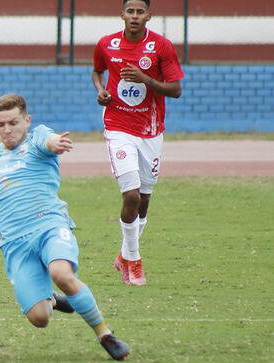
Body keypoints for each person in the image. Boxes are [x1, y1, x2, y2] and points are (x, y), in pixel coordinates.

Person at [0, 94, 130, 361]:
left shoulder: (37, 139)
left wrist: (56, 143)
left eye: (13, 122)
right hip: (15, 244)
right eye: (1, 124)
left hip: (49, 226)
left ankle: (105, 335)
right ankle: (51, 300)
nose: (7, 129)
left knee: (61, 273)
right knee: (40, 318)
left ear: (27, 121)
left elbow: (49, 140)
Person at [91, 0, 184, 286]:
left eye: (139, 12)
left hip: (151, 131)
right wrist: (101, 90)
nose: (134, 16)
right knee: (130, 196)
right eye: (129, 11)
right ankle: (134, 262)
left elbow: (176, 89)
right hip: (118, 127)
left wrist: (146, 79)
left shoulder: (161, 47)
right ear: (122, 15)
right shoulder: (107, 44)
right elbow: (97, 71)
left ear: (148, 16)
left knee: (143, 200)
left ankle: (123, 256)